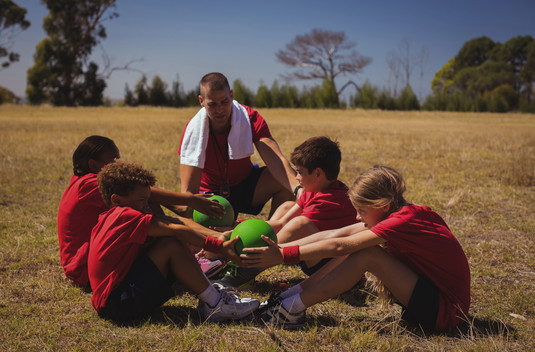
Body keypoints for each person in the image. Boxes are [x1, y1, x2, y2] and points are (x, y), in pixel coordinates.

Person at [242, 166, 471, 334]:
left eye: (361, 210)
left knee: (365, 253)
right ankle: (286, 300)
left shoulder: (403, 220)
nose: (357, 216)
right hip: (431, 300)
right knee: (356, 248)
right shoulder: (397, 213)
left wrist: (283, 256)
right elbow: (337, 234)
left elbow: (340, 245)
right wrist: (282, 247)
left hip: (446, 312)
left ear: (383, 205)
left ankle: (290, 309)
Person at [88, 161, 260, 324]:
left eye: (148, 200)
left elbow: (173, 225)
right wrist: (220, 247)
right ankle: (215, 305)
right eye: (142, 201)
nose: (147, 206)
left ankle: (211, 295)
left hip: (116, 299)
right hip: (116, 304)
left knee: (169, 242)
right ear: (116, 200)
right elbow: (175, 229)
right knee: (171, 244)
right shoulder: (124, 216)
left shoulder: (113, 217)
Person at [57, 136, 225, 288]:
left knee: (145, 204)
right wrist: (188, 200)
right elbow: (147, 192)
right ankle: (203, 248)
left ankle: (200, 245)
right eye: (113, 160)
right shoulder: (88, 184)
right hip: (83, 268)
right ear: (93, 165)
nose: (117, 165)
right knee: (147, 206)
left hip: (89, 261)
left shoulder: (81, 183)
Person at [215, 136, 358, 288]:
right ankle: (244, 257)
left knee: (299, 224)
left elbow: (292, 227)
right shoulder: (315, 189)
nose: (296, 177)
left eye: (300, 172)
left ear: (318, 173)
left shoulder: (329, 201)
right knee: (287, 206)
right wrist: (237, 227)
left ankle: (245, 270)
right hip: (316, 253)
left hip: (335, 267)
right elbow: (281, 223)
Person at [178, 72, 298, 218]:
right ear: (201, 101)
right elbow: (188, 192)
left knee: (286, 180)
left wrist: (298, 190)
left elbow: (277, 160)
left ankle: (274, 233)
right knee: (217, 233)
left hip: (245, 186)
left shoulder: (249, 118)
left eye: (224, 102)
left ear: (231, 95)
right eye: (212, 104)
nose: (220, 109)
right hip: (211, 195)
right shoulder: (193, 130)